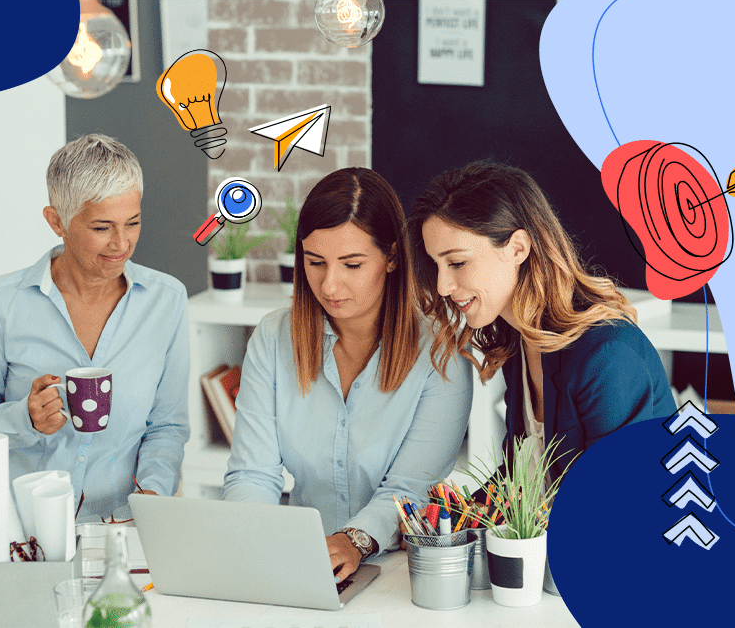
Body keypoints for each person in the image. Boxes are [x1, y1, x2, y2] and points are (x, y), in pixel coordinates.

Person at [222, 168, 472, 582]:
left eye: (352, 264)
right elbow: (253, 473)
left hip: (397, 568)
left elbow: (408, 488)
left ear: (392, 257)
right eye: (315, 262)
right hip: (296, 560)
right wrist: (256, 542)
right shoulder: (273, 338)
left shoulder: (441, 354)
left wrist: (354, 540)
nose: (330, 284)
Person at [0, 134, 190, 521]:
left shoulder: (166, 301)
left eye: (133, 222)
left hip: (124, 531)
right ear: (56, 221)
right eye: (102, 227)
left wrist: (152, 494)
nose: (122, 243)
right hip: (23, 534)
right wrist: (25, 419)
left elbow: (167, 426)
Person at [408, 159, 676, 492]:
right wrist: (459, 516)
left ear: (517, 248)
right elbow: (523, 480)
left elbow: (618, 505)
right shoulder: (519, 340)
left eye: (457, 262)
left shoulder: (607, 355)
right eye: (436, 266)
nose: (443, 286)